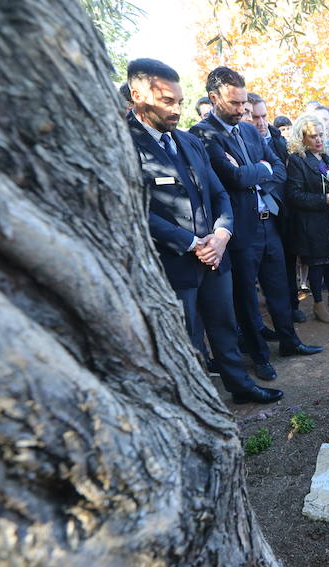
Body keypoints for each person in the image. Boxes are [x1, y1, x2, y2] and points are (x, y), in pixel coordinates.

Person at [125, 58, 283, 405]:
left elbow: (219, 193)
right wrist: (193, 242)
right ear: (137, 95)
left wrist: (222, 234)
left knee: (224, 326)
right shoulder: (122, 147)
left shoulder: (187, 141)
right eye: (167, 101)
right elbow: (136, 211)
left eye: (180, 101)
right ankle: (198, 404)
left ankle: (241, 387)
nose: (176, 110)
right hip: (173, 264)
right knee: (188, 339)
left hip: (215, 255)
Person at [190, 67, 322, 383]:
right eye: (234, 103)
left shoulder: (250, 131)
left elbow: (278, 168)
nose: (241, 109)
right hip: (238, 231)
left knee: (279, 288)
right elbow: (231, 178)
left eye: (243, 103)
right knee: (245, 298)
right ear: (214, 98)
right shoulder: (202, 135)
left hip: (268, 223)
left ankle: (290, 342)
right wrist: (255, 170)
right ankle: (260, 358)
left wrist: (254, 169)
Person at [285, 115, 329, 323]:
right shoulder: (298, 160)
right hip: (311, 223)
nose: (319, 140)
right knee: (317, 265)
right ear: (302, 137)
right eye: (313, 136)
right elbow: (294, 195)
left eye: (321, 135)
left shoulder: (324, 158)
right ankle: (318, 304)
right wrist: (323, 199)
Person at [249, 93, 306, 324]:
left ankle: (292, 305)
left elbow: (284, 174)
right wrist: (266, 172)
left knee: (288, 261)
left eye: (264, 116)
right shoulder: (243, 141)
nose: (261, 122)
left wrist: (260, 175)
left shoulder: (278, 140)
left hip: (283, 211)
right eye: (255, 117)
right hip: (256, 216)